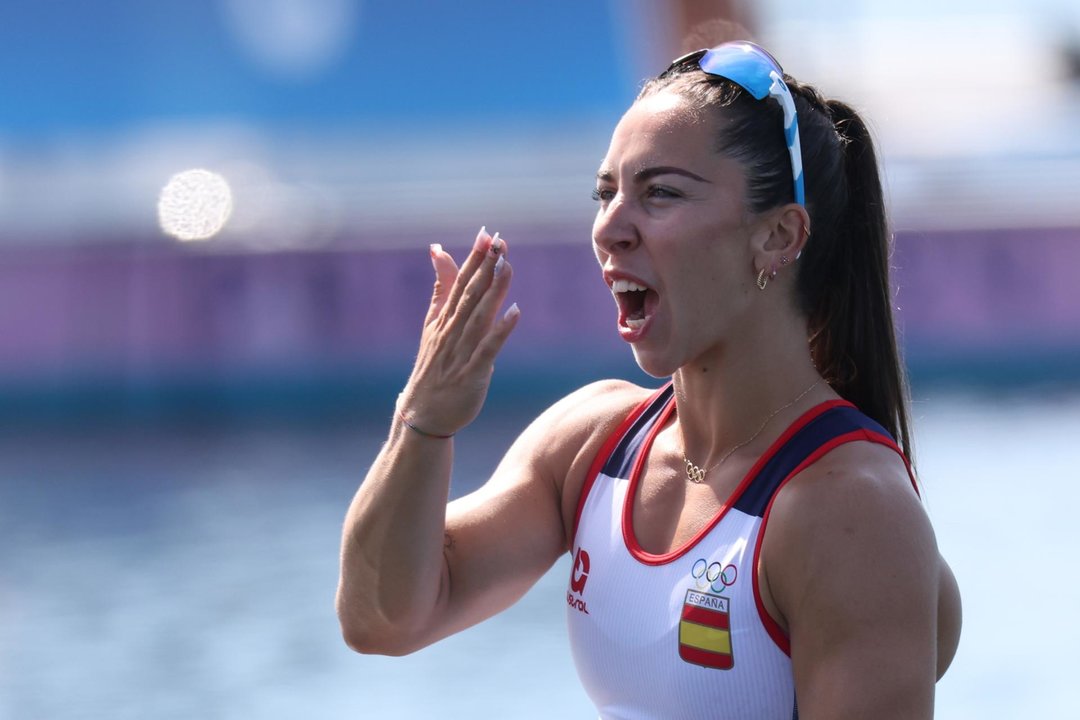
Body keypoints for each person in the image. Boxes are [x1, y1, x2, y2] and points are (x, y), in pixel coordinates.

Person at [336, 40, 961, 719]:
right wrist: (422, 422)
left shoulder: (850, 512)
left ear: (779, 236)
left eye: (659, 193)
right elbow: (382, 620)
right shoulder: (591, 442)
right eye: (606, 193)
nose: (610, 229)